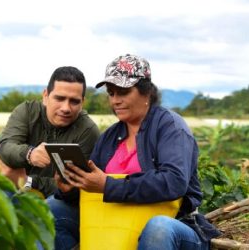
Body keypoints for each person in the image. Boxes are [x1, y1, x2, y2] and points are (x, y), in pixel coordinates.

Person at [48, 54, 221, 249]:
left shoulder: (170, 127)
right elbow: (92, 192)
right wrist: (71, 188)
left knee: (159, 228)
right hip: (117, 219)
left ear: (146, 92)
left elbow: (174, 182)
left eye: (123, 92)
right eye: (111, 93)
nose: (115, 101)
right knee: (51, 209)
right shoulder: (109, 137)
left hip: (174, 224)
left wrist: (108, 185)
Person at [0, 66, 100, 197]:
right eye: (59, 98)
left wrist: (28, 182)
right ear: (45, 96)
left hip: (57, 201)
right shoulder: (27, 112)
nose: (66, 108)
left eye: (74, 101)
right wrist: (30, 154)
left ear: (82, 103)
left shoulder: (88, 131)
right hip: (13, 190)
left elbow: (75, 186)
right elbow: (4, 147)